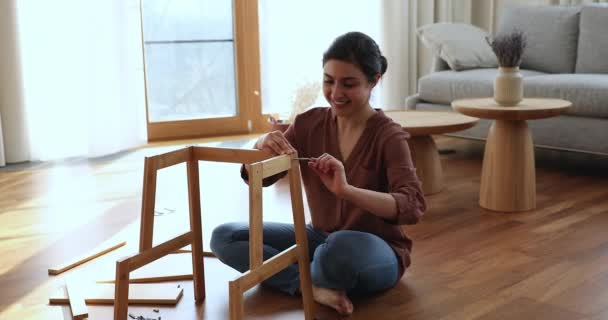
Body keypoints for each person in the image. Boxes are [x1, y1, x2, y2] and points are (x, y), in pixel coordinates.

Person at [210, 31, 426, 316]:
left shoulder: (389, 136)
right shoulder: (308, 123)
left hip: (375, 248)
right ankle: (308, 286)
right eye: (329, 81)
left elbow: (412, 206)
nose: (336, 93)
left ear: (374, 81)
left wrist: (347, 191)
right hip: (317, 238)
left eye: (348, 84)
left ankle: (310, 273)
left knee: (337, 250)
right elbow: (258, 178)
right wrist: (261, 144)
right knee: (224, 237)